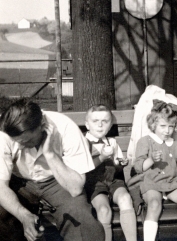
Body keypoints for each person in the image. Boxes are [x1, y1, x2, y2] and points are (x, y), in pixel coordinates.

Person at [0, 99, 105, 241]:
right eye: (17, 142)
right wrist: (23, 215)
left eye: (27, 141)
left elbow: (75, 188)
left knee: (80, 216)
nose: (20, 147)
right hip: (18, 182)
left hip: (58, 180)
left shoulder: (66, 128)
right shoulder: (4, 134)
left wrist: (50, 154)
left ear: (42, 125)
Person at [134, 99, 177, 241]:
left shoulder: (175, 144)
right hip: (151, 181)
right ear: (153, 125)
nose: (167, 130)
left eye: (171, 126)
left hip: (172, 182)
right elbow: (138, 167)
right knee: (154, 204)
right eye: (163, 126)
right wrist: (151, 159)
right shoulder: (145, 141)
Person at [84, 104, 137, 241]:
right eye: (95, 121)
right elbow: (83, 168)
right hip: (94, 184)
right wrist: (101, 156)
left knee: (126, 199)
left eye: (105, 121)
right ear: (87, 125)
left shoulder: (112, 142)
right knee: (104, 210)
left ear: (110, 124)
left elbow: (117, 168)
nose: (100, 125)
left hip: (113, 181)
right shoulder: (83, 143)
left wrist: (120, 164)